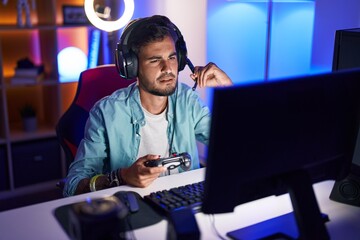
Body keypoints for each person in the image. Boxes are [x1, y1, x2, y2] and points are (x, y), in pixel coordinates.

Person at [63, 15, 232, 197]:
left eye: (172, 57)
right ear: (133, 66)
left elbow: (233, 144)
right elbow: (73, 185)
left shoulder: (187, 100)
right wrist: (122, 177)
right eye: (154, 60)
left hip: (185, 201)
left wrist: (229, 90)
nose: (167, 68)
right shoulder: (106, 113)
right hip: (134, 209)